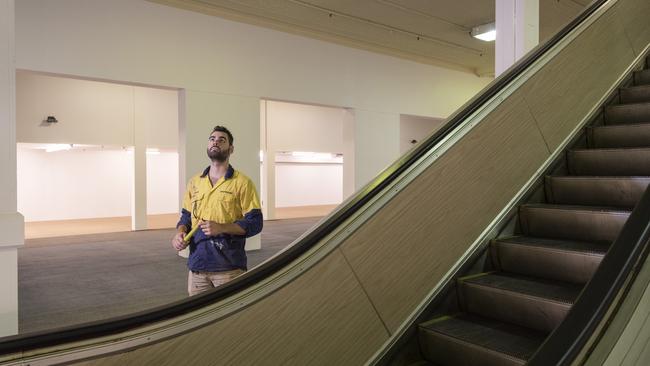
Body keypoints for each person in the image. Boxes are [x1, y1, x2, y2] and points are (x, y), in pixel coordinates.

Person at [172, 125, 263, 296]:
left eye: (222, 140)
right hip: (197, 267)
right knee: (198, 316)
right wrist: (180, 233)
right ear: (207, 146)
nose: (216, 142)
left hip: (228, 268)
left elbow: (255, 223)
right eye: (212, 139)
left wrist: (221, 227)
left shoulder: (242, 183)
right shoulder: (195, 182)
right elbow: (185, 217)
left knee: (231, 319)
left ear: (231, 149)